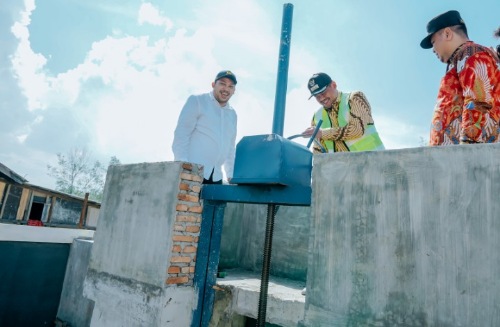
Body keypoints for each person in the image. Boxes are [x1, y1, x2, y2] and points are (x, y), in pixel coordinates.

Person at [420, 10, 500, 146]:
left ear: (447, 33)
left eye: (433, 42)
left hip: (465, 160)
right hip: (449, 160)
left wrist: (466, 149)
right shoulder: (460, 59)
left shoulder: (471, 53)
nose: (433, 49)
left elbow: (478, 101)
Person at [172, 70, 238, 184]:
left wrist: (231, 174)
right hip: (192, 172)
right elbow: (181, 134)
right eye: (222, 84)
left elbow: (230, 148)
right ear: (213, 85)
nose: (226, 89)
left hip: (216, 177)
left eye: (230, 86)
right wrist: (182, 165)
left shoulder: (232, 114)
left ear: (234, 91)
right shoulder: (197, 101)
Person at [302, 72, 385, 153]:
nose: (321, 98)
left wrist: (322, 133)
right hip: (342, 166)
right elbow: (318, 150)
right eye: (317, 96)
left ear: (333, 85)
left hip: (374, 162)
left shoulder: (355, 98)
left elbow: (357, 130)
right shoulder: (317, 116)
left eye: (323, 93)